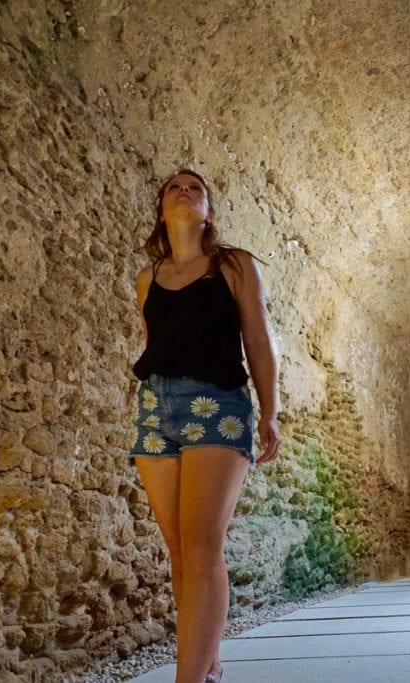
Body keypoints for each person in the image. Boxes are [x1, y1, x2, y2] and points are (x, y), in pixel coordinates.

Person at [129, 168, 281, 683]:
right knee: (179, 554)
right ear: (161, 209)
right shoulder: (147, 278)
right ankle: (206, 664)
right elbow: (154, 342)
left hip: (216, 404)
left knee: (201, 549)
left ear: (208, 211)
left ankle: (188, 678)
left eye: (196, 187)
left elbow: (258, 341)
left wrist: (270, 411)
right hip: (155, 409)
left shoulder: (233, 266)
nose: (184, 190)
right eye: (174, 186)